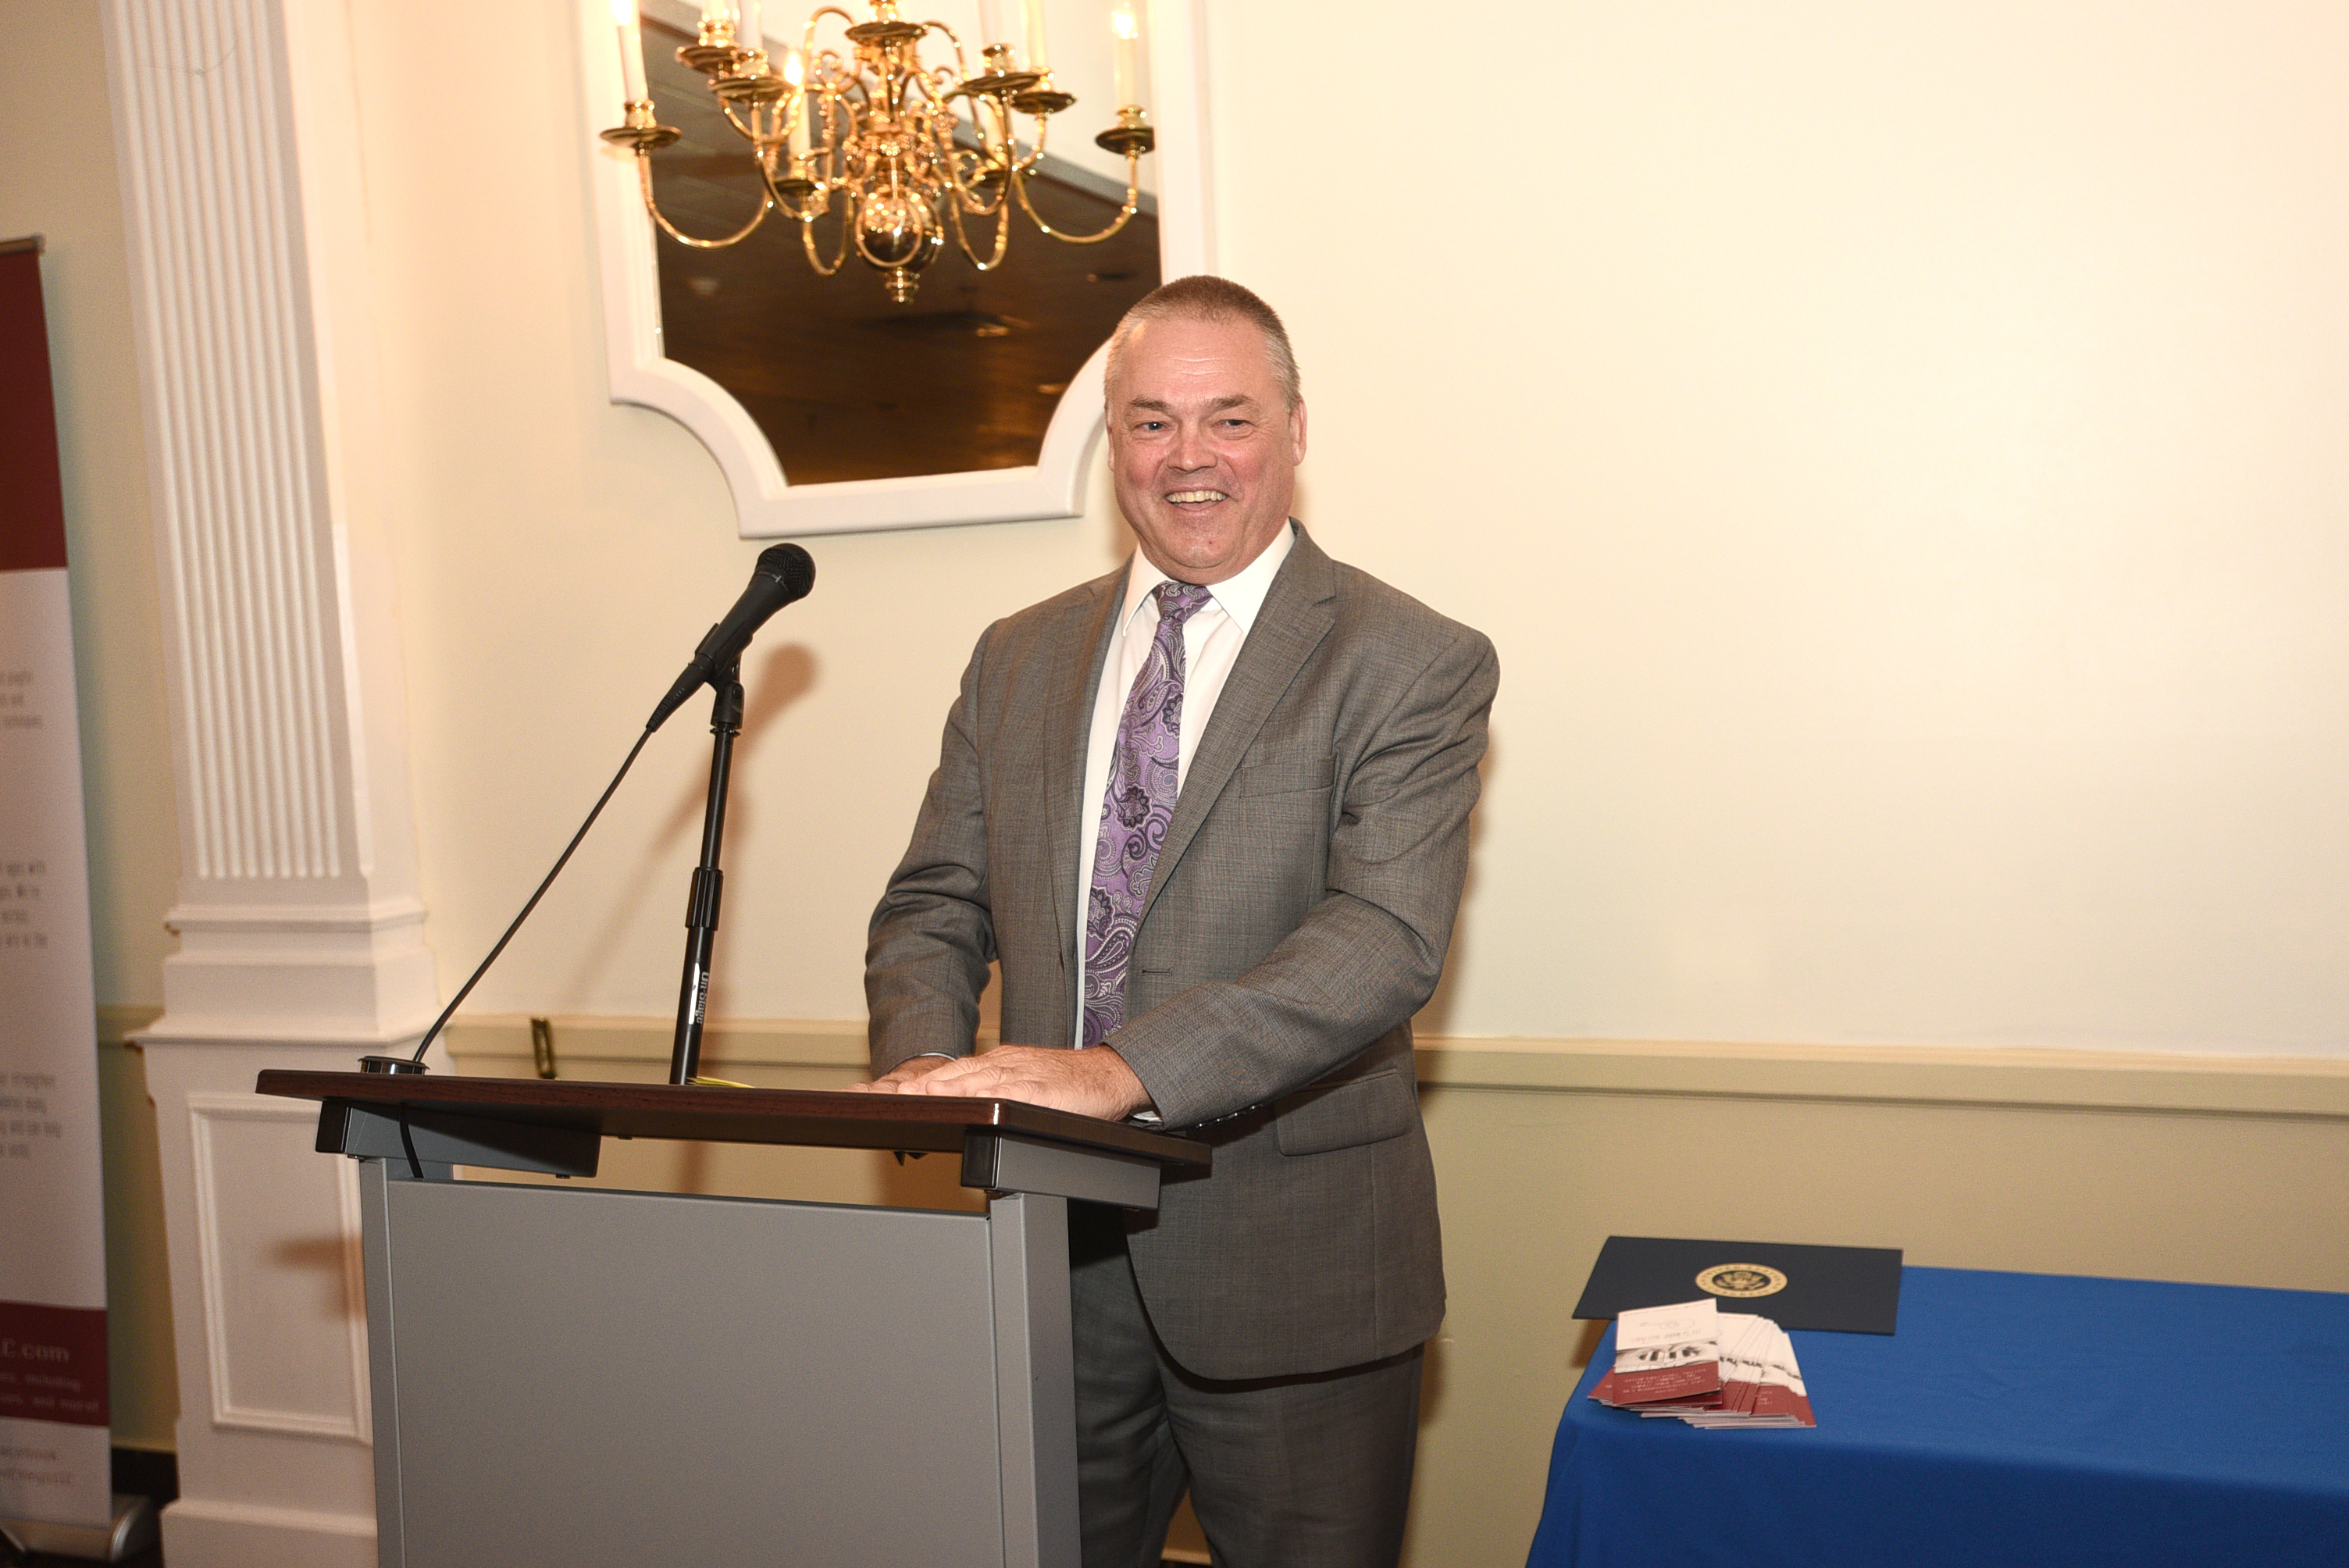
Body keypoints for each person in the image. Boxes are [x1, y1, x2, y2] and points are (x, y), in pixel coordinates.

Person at [855, 275, 1499, 1568]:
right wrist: (928, 1067)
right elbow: (933, 901)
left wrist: (1120, 1072)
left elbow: (1381, 940)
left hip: (1296, 1275)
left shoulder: (1412, 659)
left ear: (1295, 432)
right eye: (1152, 422)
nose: (1189, 457)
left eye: (1229, 419)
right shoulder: (1016, 655)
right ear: (1114, 442)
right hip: (1052, 1257)